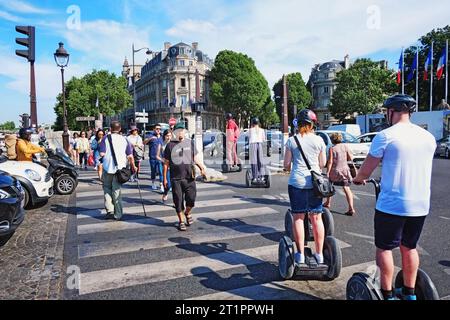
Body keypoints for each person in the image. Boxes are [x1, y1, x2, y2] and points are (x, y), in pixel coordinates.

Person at [354, 94, 436, 300]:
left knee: (384, 248)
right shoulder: (428, 137)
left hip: (392, 204)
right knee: (409, 247)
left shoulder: (385, 136)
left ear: (392, 112)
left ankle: (388, 293)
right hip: (420, 204)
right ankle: (409, 293)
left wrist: (358, 178)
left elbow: (366, 170)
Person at [283, 109, 327, 266]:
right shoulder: (319, 140)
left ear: (298, 124)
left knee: (298, 218)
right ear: (312, 124)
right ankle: (319, 254)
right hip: (315, 184)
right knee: (316, 218)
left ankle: (300, 254)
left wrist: (291, 167)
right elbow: (322, 164)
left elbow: (286, 165)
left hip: (297, 183)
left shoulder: (292, 141)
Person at [163, 122, 206, 231]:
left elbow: (194, 158)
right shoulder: (170, 145)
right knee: (178, 201)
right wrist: (164, 179)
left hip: (189, 177)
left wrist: (201, 167)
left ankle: (187, 212)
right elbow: (166, 164)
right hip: (176, 178)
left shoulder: (189, 143)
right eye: (178, 131)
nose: (180, 132)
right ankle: (181, 220)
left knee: (191, 199)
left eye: (182, 130)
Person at [98, 121, 137, 221]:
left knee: (107, 189)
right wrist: (133, 166)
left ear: (110, 129)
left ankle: (110, 210)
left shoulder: (105, 138)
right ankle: (118, 214)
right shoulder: (124, 139)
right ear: (120, 129)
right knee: (116, 191)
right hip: (119, 170)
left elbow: (102, 154)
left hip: (107, 168)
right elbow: (130, 156)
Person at [323, 132, 356, 216]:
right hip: (345, 171)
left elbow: (330, 161)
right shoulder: (345, 146)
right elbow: (351, 158)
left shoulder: (332, 149)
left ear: (332, 140)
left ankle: (327, 202)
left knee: (330, 186)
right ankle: (351, 208)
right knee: (346, 188)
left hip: (335, 171)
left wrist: (327, 172)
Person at [144, 124, 164, 191]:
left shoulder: (162, 137)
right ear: (154, 129)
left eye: (160, 129)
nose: (158, 130)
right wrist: (150, 139)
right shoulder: (150, 136)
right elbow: (144, 142)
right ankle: (153, 183)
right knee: (153, 171)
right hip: (152, 157)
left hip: (160, 158)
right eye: (157, 129)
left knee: (161, 172)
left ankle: (161, 184)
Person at [248, 117, 266, 183]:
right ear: (258, 123)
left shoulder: (250, 130)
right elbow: (264, 139)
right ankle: (262, 176)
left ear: (252, 123)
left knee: (254, 161)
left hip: (253, 144)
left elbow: (248, 137)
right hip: (260, 144)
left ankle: (255, 177)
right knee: (260, 160)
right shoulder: (262, 130)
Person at [157, 129, 172, 202]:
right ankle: (165, 193)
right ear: (164, 136)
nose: (168, 137)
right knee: (167, 184)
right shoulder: (161, 144)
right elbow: (157, 156)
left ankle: (177, 202)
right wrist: (162, 160)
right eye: (167, 136)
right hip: (165, 166)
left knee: (176, 186)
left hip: (174, 166)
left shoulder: (174, 144)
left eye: (170, 136)